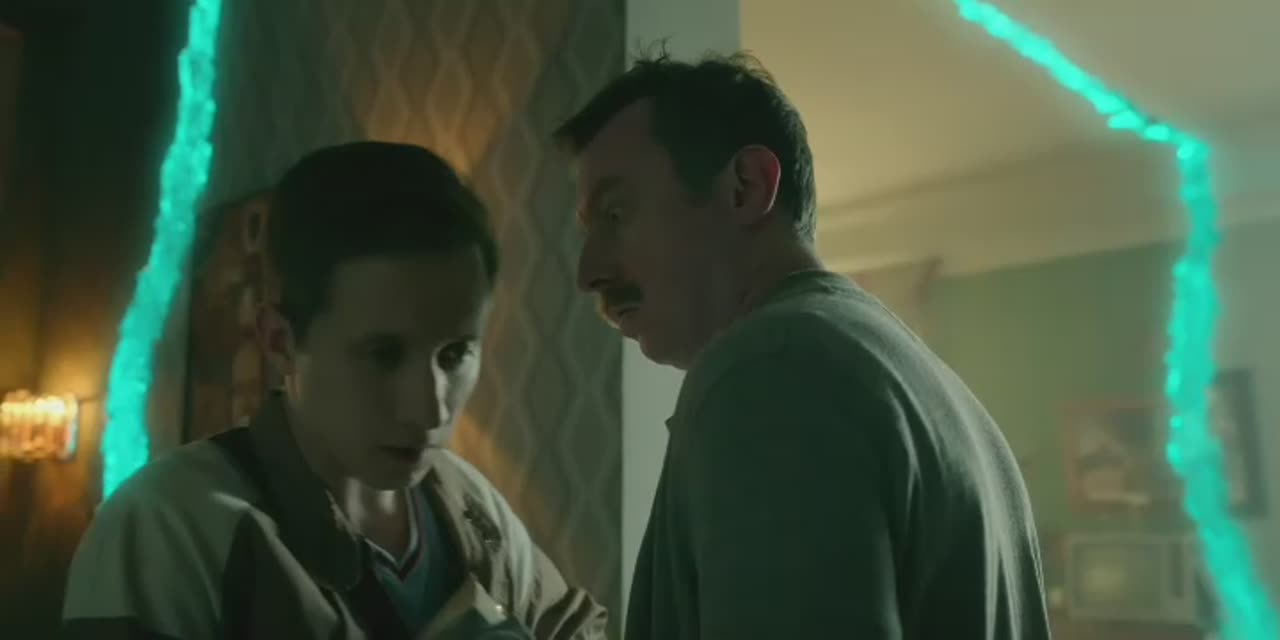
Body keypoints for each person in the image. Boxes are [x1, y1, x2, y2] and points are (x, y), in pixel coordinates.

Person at [554, 51, 1051, 639]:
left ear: (747, 188)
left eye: (616, 213)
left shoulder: (767, 371)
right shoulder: (947, 402)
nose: (588, 272)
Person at [61, 142, 608, 639]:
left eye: (454, 354)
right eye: (383, 354)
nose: (430, 408)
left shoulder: (470, 506)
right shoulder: (170, 528)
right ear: (280, 341)